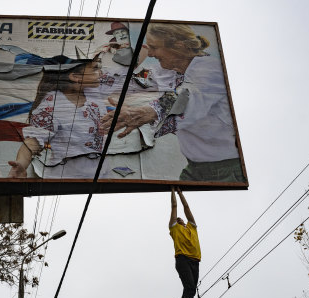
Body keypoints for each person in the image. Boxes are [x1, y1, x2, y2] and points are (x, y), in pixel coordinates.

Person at [101, 24, 245, 183]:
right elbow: (131, 82)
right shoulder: (163, 71)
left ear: (178, 47)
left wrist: (149, 112)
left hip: (225, 168)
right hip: (195, 167)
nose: (150, 53)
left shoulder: (209, 69)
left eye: (154, 48)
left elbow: (185, 96)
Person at [8, 57, 109, 179]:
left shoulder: (93, 93)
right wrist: (21, 165)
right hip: (66, 178)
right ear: (75, 77)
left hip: (100, 176)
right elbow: (33, 141)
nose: (100, 72)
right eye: (94, 69)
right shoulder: (52, 104)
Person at [158, 186, 207, 298]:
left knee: (188, 293)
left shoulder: (192, 227)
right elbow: (175, 206)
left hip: (195, 262)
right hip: (183, 260)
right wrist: (172, 191)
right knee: (190, 289)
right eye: (176, 219)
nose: (179, 218)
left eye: (181, 218)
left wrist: (181, 193)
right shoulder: (174, 229)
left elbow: (186, 207)